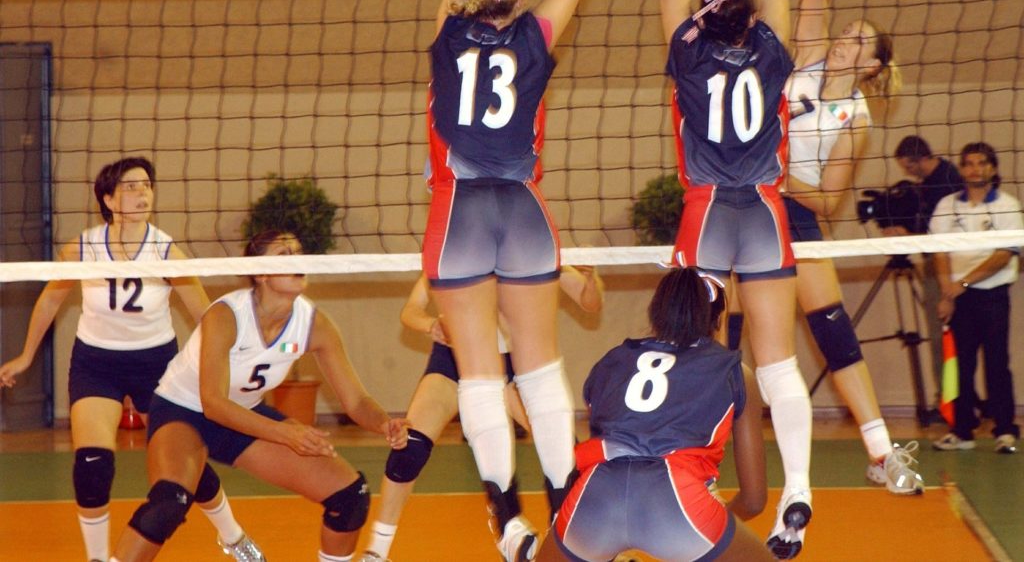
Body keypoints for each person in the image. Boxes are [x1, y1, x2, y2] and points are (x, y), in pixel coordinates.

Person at [422, 0, 644, 561]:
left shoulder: (448, 30)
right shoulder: (539, 36)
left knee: (479, 368)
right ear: (519, 0)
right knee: (541, 362)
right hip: (520, 207)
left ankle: (507, 520)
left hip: (457, 209)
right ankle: (565, 509)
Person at [730, 0, 923, 495]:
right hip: (743, 206)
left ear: (871, 66)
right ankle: (700, 457)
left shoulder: (855, 118)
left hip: (790, 209)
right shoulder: (806, 59)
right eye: (849, 30)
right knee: (724, 336)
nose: (847, 38)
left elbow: (830, 201)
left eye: (861, 40)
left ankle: (880, 451)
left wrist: (780, 176)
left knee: (833, 329)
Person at [658, 0, 813, 559]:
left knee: (697, 351)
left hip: (708, 211)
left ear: (702, 15)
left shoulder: (685, 55)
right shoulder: (774, 46)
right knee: (779, 361)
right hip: (766, 210)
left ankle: (688, 478)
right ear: (753, 18)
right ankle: (798, 491)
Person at [0, 157, 260, 562]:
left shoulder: (167, 250)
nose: (142, 193)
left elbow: (207, 316)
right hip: (96, 364)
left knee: (185, 461)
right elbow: (51, 298)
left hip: (157, 366)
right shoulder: (84, 247)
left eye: (147, 186)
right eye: (131, 186)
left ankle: (233, 536)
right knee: (92, 464)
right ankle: (98, 559)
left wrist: (233, 365)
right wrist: (26, 355)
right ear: (108, 198)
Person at [109, 230, 408, 562]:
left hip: (244, 417)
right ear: (261, 271)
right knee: (168, 503)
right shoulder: (226, 315)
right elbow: (213, 403)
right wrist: (286, 432)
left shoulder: (314, 324)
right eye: (284, 255)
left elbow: (355, 401)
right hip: (184, 411)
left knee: (351, 498)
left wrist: (384, 423)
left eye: (299, 252)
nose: (298, 260)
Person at [359, 266, 604, 562]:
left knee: (567, 453)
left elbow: (590, 302)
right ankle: (377, 552)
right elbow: (410, 311)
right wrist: (430, 324)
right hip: (453, 363)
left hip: (515, 367)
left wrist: (591, 281)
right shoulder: (457, 254)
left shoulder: (528, 250)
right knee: (408, 449)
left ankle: (583, 543)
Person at [537, 268, 771, 562]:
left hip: (594, 498)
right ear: (719, 323)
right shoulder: (733, 371)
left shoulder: (611, 362)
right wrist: (712, 521)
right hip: (678, 500)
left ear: (655, 315)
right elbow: (753, 501)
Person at [929, 143, 1022, 454]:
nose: (974, 169)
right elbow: (940, 252)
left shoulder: (1007, 205)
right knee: (959, 364)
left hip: (992, 296)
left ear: (992, 169)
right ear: (962, 169)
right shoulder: (947, 205)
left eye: (981, 163)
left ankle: (1005, 431)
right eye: (968, 164)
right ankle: (961, 431)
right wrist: (948, 293)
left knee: (997, 363)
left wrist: (964, 282)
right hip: (957, 297)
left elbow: (1004, 255)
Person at [890, 134, 966, 415]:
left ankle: (951, 402)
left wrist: (909, 236)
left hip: (948, 265)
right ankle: (952, 399)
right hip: (934, 262)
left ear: (917, 159)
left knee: (942, 335)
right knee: (944, 336)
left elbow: (944, 233)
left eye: (908, 167)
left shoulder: (948, 181)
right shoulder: (927, 185)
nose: (907, 173)